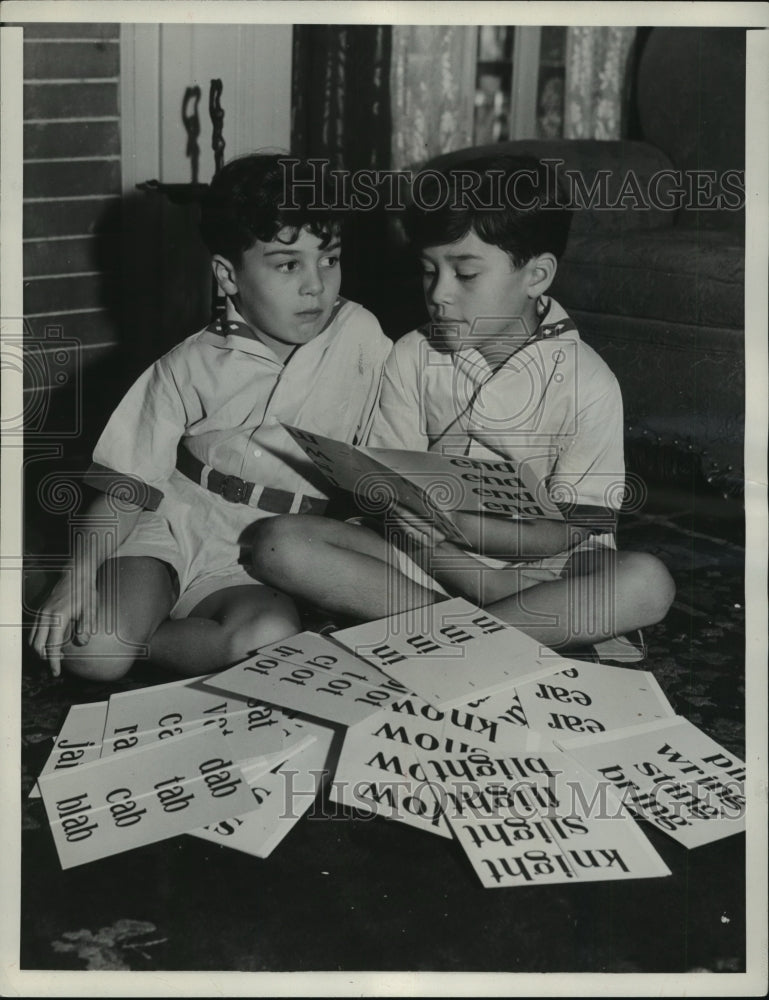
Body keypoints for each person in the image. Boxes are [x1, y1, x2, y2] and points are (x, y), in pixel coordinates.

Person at [250, 155, 676, 656]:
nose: (439, 295)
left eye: (466, 274)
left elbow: (575, 529)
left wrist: (472, 550)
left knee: (647, 582)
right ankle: (492, 636)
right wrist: (448, 553)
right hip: (426, 558)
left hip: (539, 571)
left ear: (536, 275)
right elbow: (387, 492)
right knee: (277, 543)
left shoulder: (589, 382)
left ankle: (441, 636)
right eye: (428, 271)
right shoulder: (412, 353)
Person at [30, 153, 392, 680]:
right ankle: (110, 616)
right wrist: (76, 577)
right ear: (228, 275)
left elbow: (390, 445)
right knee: (96, 654)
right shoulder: (190, 363)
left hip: (263, 549)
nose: (315, 284)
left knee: (268, 639)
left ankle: (146, 637)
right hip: (173, 522)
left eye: (329, 259)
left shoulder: (361, 337)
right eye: (288, 264)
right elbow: (128, 483)